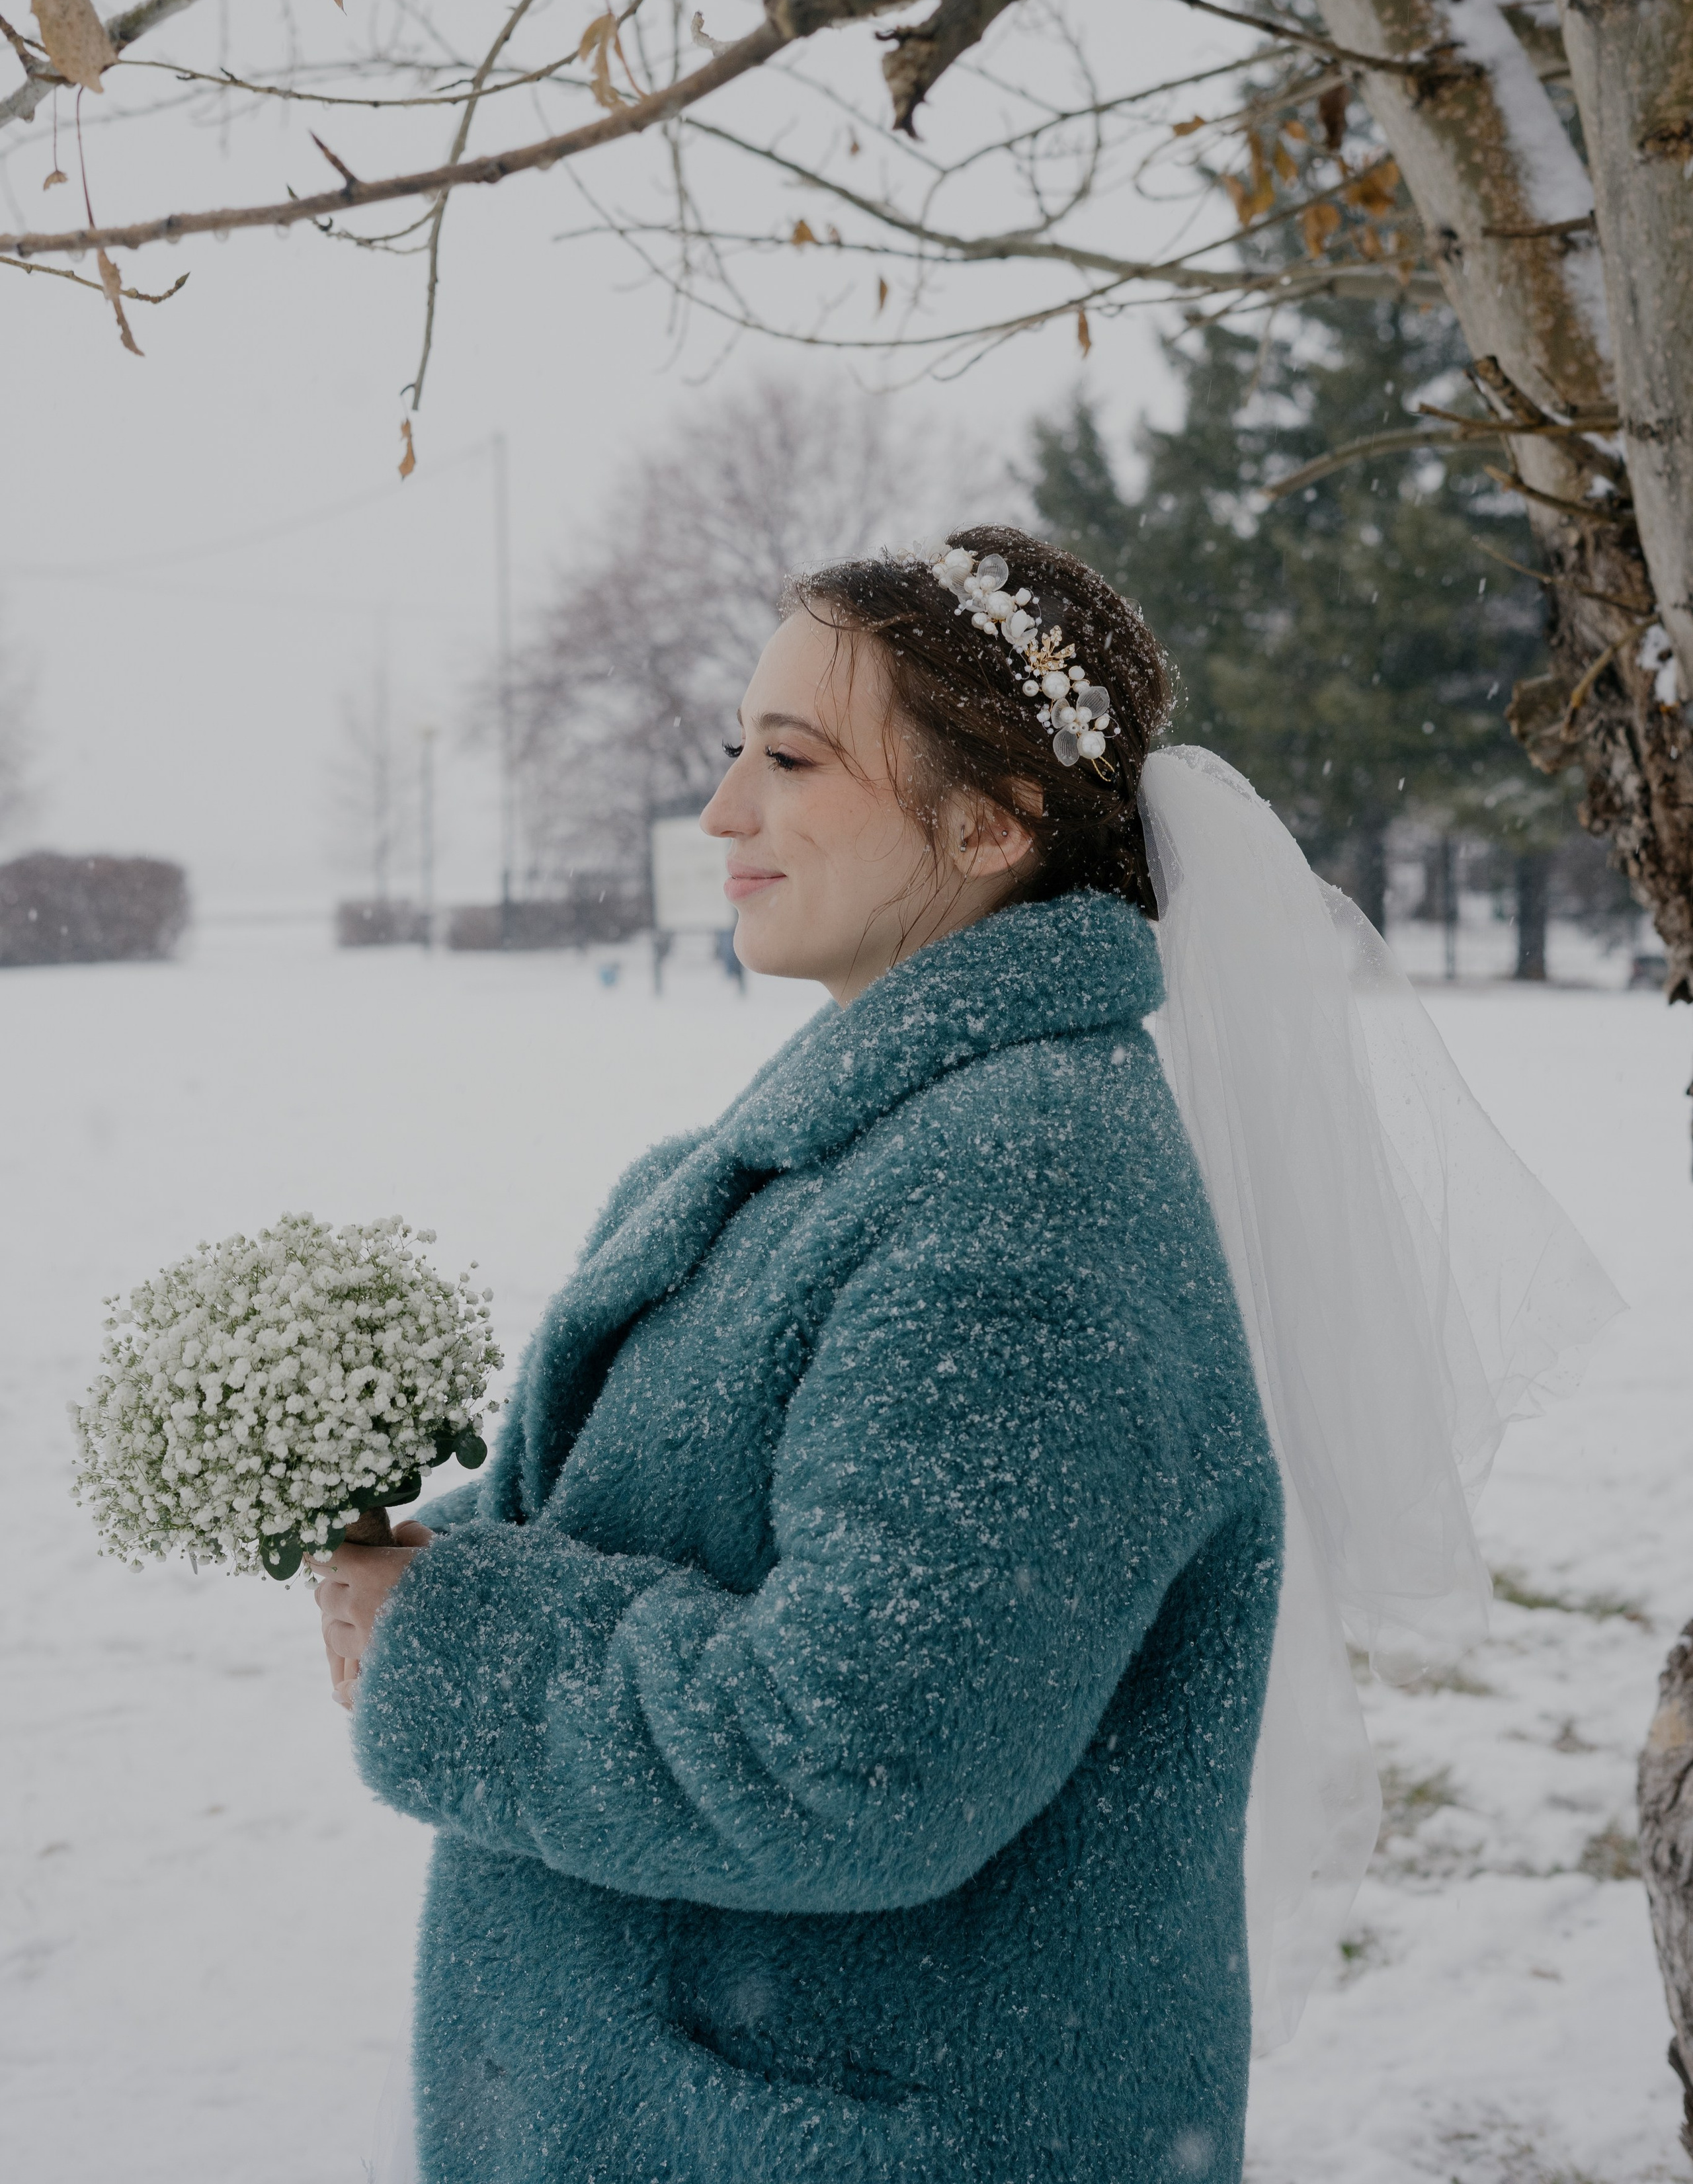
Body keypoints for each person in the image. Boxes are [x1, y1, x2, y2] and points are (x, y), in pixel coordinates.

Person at [316, 526, 1617, 2184]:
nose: (721, 812)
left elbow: (856, 1755)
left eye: (791, 760)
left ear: (989, 824)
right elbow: (678, 1527)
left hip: (840, 2134)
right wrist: (416, 1559)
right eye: (736, 751)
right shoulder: (847, 1150)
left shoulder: (1023, 1194)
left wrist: (452, 1647)